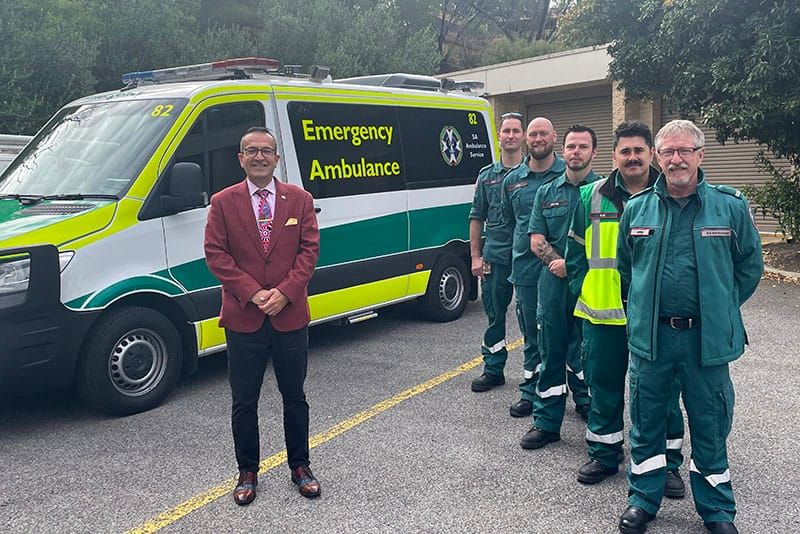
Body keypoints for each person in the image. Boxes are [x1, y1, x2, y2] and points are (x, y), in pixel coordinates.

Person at [616, 120, 763, 534]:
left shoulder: (729, 207)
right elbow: (628, 270)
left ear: (700, 155)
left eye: (684, 151)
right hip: (653, 339)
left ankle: (717, 511)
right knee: (646, 422)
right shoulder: (637, 208)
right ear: (657, 158)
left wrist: (720, 307)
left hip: (705, 340)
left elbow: (749, 266)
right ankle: (643, 500)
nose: (676, 159)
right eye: (668, 152)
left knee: (711, 424)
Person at [565, 121, 685, 497]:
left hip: (655, 316)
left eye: (639, 150)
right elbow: (574, 254)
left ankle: (667, 464)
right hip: (602, 314)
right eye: (625, 151)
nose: (632, 157)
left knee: (662, 391)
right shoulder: (590, 196)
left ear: (652, 154)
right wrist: (583, 290)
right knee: (602, 386)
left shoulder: (672, 193)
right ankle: (604, 454)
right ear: (614, 156)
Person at [204, 126, 321, 505]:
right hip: (244, 317)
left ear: (276, 158)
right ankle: (247, 472)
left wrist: (285, 293)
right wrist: (254, 293)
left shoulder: (299, 200)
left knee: (295, 396)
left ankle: (300, 466)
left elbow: (309, 252)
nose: (259, 157)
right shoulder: (223, 202)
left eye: (266, 151)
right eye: (251, 151)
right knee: (244, 401)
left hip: (290, 316)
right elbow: (216, 254)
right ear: (240, 158)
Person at [522, 124, 596, 450]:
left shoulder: (605, 192)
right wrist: (558, 263)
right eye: (571, 146)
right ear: (563, 151)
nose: (576, 152)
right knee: (551, 352)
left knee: (591, 352)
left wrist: (573, 266)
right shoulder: (546, 192)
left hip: (592, 284)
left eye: (583, 146)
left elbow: (614, 245)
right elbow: (536, 240)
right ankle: (547, 423)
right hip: (553, 285)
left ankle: (590, 406)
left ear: (594, 152)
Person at [500, 117, 572, 418]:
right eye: (533, 134)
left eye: (543, 133)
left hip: (564, 270)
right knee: (532, 336)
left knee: (572, 336)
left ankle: (580, 394)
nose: (538, 139)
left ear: (554, 137)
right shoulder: (512, 180)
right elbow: (508, 222)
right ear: (526, 139)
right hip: (527, 270)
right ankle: (530, 392)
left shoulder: (569, 174)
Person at [470, 112, 525, 393]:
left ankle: (534, 376)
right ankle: (493, 369)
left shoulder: (534, 173)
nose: (511, 135)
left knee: (532, 319)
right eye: (506, 131)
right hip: (495, 256)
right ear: (499, 136)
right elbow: (476, 216)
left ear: (523, 136)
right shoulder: (486, 176)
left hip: (528, 257)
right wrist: (475, 256)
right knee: (495, 315)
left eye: (516, 130)